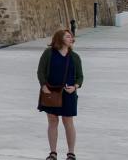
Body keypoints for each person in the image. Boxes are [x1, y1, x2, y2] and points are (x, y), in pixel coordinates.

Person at [37, 29, 83, 160]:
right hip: (50, 92)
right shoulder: (48, 53)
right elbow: (40, 72)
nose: (71, 39)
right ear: (60, 39)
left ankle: (71, 153)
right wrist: (44, 87)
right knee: (52, 121)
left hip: (68, 94)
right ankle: (53, 153)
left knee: (68, 121)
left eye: (71, 37)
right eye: (68, 37)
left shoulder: (75, 56)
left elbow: (80, 77)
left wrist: (75, 87)